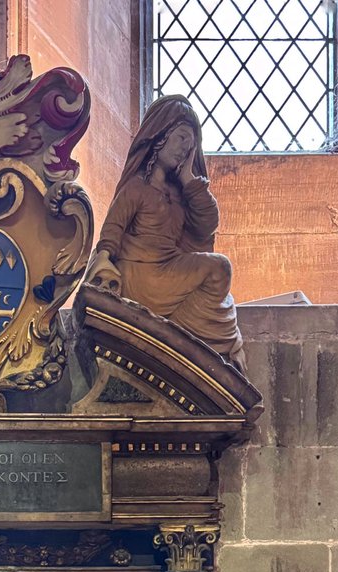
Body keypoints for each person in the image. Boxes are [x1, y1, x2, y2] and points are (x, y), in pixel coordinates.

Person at [86, 95, 246, 373]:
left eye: (192, 144)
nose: (186, 148)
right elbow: (113, 227)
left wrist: (189, 179)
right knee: (218, 266)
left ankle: (177, 337)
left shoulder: (179, 193)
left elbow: (207, 224)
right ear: (160, 136)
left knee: (219, 268)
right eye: (182, 137)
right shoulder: (137, 188)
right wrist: (104, 257)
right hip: (141, 276)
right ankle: (178, 336)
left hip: (169, 269)